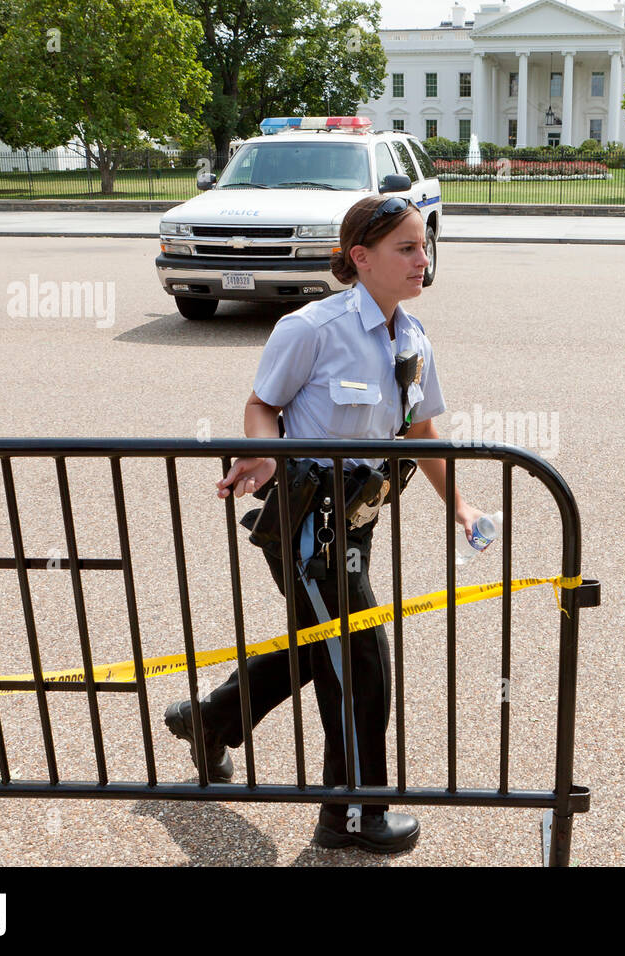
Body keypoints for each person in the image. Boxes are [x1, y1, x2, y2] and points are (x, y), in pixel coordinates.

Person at [164, 195, 486, 854]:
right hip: (309, 529)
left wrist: (462, 505)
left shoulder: (413, 338)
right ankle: (354, 813)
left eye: (425, 246)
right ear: (360, 258)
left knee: (322, 650)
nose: (422, 259)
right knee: (361, 660)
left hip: (357, 527)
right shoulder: (312, 328)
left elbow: (421, 432)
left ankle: (211, 719)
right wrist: (262, 449)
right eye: (406, 248)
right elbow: (263, 404)